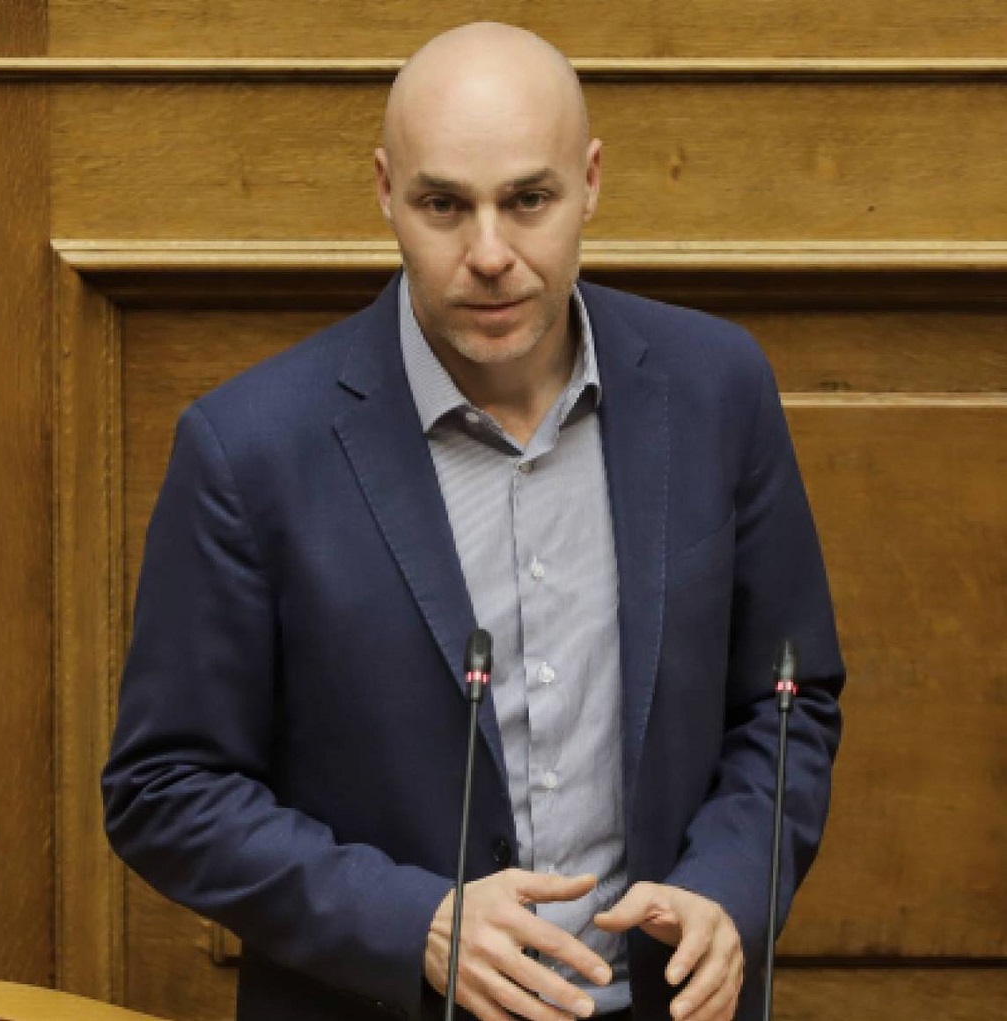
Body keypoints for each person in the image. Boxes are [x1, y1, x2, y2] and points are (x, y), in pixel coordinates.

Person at [102, 22, 843, 1021]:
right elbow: (164, 786)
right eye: (443, 205)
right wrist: (411, 920)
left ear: (590, 183)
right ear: (384, 193)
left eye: (528, 200)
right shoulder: (247, 449)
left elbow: (788, 704)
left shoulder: (718, 389)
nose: (488, 254)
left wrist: (728, 888)